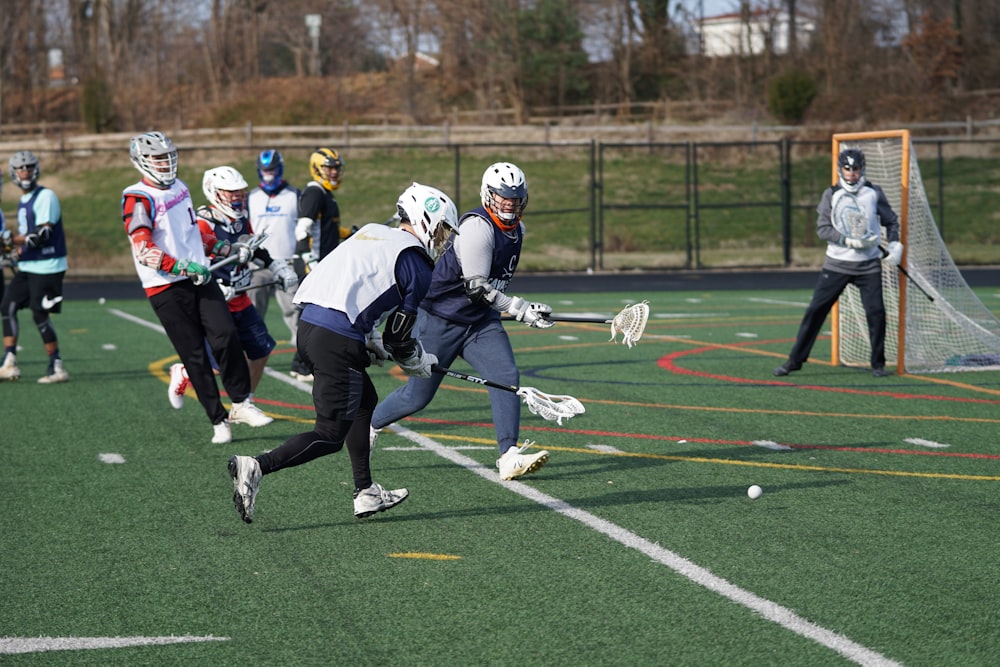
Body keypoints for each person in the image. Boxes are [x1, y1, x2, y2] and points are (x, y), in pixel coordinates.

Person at [227, 182, 459, 523]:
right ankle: (258, 466)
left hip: (311, 326)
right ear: (426, 220)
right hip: (335, 338)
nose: (442, 239)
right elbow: (399, 339)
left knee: (365, 400)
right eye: (441, 230)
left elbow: (355, 290)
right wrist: (416, 361)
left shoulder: (372, 232)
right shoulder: (416, 262)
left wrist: (369, 339)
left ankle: (365, 492)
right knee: (330, 434)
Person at [371, 162, 555, 481]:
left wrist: (530, 311)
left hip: (479, 322)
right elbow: (477, 289)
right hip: (441, 318)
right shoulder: (477, 227)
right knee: (417, 396)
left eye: (515, 198)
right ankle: (368, 425)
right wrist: (520, 308)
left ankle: (508, 454)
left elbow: (490, 291)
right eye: (503, 197)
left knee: (505, 376)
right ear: (488, 195)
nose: (509, 203)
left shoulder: (517, 231)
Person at [121, 131, 272, 444]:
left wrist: (226, 249)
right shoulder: (137, 197)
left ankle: (242, 403)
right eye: (158, 158)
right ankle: (218, 420)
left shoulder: (180, 187)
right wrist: (181, 266)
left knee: (226, 334)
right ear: (141, 161)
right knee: (194, 355)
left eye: (167, 156)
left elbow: (194, 236)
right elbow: (143, 249)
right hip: (165, 286)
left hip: (199, 277)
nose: (165, 163)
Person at [167, 166, 299, 411]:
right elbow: (192, 262)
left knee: (262, 351)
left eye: (240, 193)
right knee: (218, 364)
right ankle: (183, 371)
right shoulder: (203, 223)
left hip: (241, 298)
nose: (237, 198)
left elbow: (252, 247)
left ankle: (243, 404)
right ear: (214, 192)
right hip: (215, 302)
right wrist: (213, 285)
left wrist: (277, 267)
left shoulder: (239, 219)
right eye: (231, 193)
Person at [773, 148, 903, 378]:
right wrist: (848, 241)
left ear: (862, 169)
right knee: (815, 311)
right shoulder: (831, 194)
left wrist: (894, 244)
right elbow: (823, 229)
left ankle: (878, 364)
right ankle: (794, 361)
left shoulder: (873, 192)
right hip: (837, 265)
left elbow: (891, 221)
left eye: (856, 169)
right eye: (847, 168)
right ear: (840, 169)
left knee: (876, 313)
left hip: (869, 266)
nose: (852, 173)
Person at [0, 151, 69, 383]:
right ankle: (9, 361)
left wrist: (8, 239)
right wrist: (14, 250)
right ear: (14, 173)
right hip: (30, 266)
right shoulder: (23, 201)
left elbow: (42, 234)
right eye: (20, 168)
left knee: (39, 315)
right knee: (8, 306)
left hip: (48, 265)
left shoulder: (46, 196)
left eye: (29, 167)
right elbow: (26, 242)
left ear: (36, 169)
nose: (25, 171)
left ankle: (56, 365)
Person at [288, 147, 346, 381]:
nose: (333, 172)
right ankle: (302, 365)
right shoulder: (315, 192)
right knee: (313, 315)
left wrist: (348, 233)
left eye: (336, 167)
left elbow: (326, 228)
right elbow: (302, 229)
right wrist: (308, 260)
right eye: (328, 167)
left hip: (319, 262)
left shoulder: (325, 193)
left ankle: (301, 364)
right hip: (311, 262)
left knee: (316, 314)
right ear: (316, 168)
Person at [247, 149, 301, 347]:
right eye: (265, 170)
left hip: (287, 262)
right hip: (257, 265)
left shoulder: (294, 195)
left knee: (294, 308)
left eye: (272, 170)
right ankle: (252, 348)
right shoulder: (251, 197)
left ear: (280, 169)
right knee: (252, 310)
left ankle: (302, 354)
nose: (268, 174)